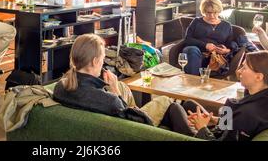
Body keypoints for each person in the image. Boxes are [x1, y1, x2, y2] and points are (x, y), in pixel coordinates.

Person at [53, 34, 198, 135]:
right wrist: (115, 90)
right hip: (133, 128)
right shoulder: (111, 101)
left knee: (124, 87)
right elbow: (138, 121)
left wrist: (117, 89)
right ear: (95, 61)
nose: (103, 62)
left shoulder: (60, 87)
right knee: (167, 101)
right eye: (103, 58)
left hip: (104, 119)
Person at [168, 51, 268, 141]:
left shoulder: (248, 113)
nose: (239, 71)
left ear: (258, 77)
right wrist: (215, 120)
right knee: (189, 103)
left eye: (244, 68)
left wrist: (202, 128)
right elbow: (234, 127)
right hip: (222, 132)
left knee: (175, 108)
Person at [182, 0, 237, 76]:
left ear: (219, 11)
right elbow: (187, 39)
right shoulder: (196, 22)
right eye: (208, 12)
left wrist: (226, 50)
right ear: (204, 11)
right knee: (192, 50)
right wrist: (205, 45)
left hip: (215, 57)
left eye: (214, 12)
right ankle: (193, 82)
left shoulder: (226, 26)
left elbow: (229, 44)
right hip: (196, 52)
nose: (211, 16)